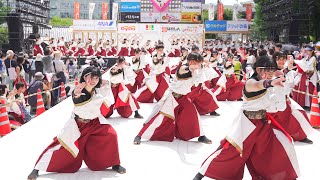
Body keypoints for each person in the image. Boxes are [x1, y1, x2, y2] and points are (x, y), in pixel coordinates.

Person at [193, 55, 299, 180]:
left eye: (272, 69)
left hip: (263, 123)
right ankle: (201, 173)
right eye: (268, 69)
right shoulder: (251, 82)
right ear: (258, 70)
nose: (271, 72)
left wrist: (281, 90)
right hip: (246, 124)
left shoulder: (270, 84)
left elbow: (276, 106)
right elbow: (258, 85)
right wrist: (271, 83)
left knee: (276, 148)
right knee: (231, 152)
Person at [27, 66, 126, 180]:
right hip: (78, 125)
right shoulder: (78, 91)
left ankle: (114, 163)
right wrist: (76, 94)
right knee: (60, 146)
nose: (93, 80)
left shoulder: (99, 89)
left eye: (96, 77)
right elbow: (77, 98)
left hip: (95, 123)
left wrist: (106, 82)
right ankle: (37, 168)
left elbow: (108, 92)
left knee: (111, 135)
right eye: (90, 77)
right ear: (84, 78)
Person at [133, 52, 212, 145]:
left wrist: (201, 67)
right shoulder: (183, 68)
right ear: (191, 62)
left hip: (183, 97)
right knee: (159, 117)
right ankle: (139, 135)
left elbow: (197, 81)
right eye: (198, 63)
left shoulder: (194, 70)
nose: (199, 65)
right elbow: (185, 72)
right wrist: (196, 68)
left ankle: (201, 136)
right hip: (172, 97)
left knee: (193, 114)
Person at [269, 51, 314, 144]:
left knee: (298, 115)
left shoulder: (282, 70)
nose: (282, 61)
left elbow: (286, 83)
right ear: (275, 59)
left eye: (283, 59)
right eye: (279, 59)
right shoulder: (271, 71)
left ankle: (300, 136)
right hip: (274, 102)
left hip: (284, 99)